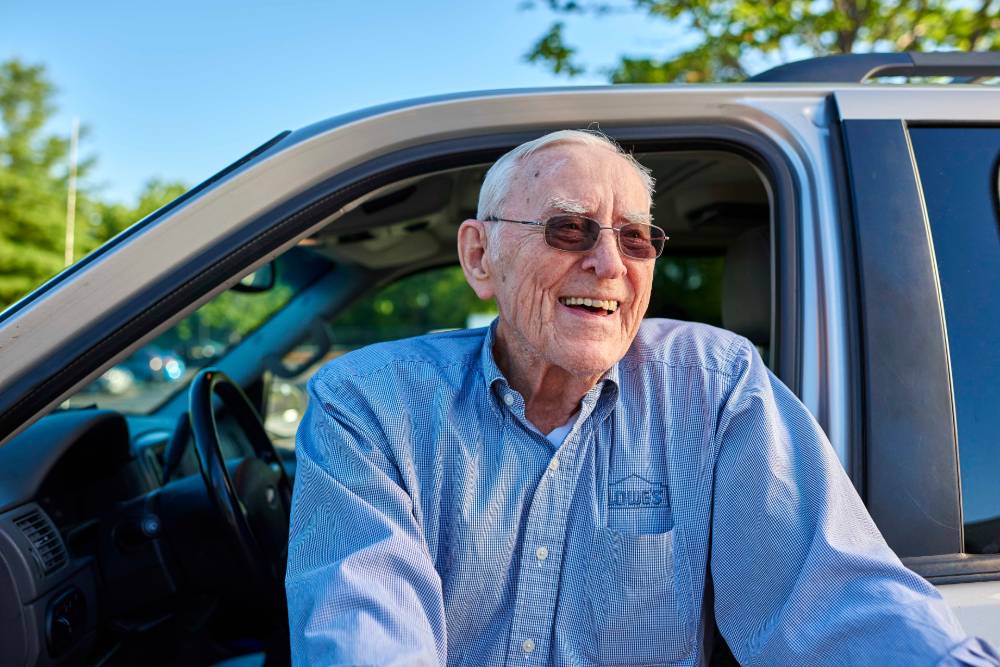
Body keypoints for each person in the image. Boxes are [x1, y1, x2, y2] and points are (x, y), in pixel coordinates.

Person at [285, 130, 998, 666]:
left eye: (636, 238)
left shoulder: (715, 388)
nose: (608, 263)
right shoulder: (371, 404)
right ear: (480, 257)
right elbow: (367, 639)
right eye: (569, 228)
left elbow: (837, 605)